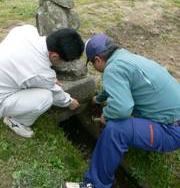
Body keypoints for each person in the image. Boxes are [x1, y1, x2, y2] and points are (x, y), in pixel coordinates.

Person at [64, 34, 180, 188]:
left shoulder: (112, 69)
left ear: (97, 60)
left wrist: (106, 115)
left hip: (170, 131)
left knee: (116, 129)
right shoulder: (126, 58)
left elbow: (123, 108)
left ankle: (95, 184)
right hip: (172, 118)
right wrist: (98, 99)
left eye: (92, 63)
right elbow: (119, 83)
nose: (94, 67)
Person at [0, 24, 84, 138]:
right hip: (2, 99)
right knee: (45, 97)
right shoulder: (42, 74)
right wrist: (69, 101)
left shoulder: (27, 30)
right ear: (54, 56)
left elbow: (30, 69)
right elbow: (56, 94)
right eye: (65, 62)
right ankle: (16, 122)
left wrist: (46, 78)